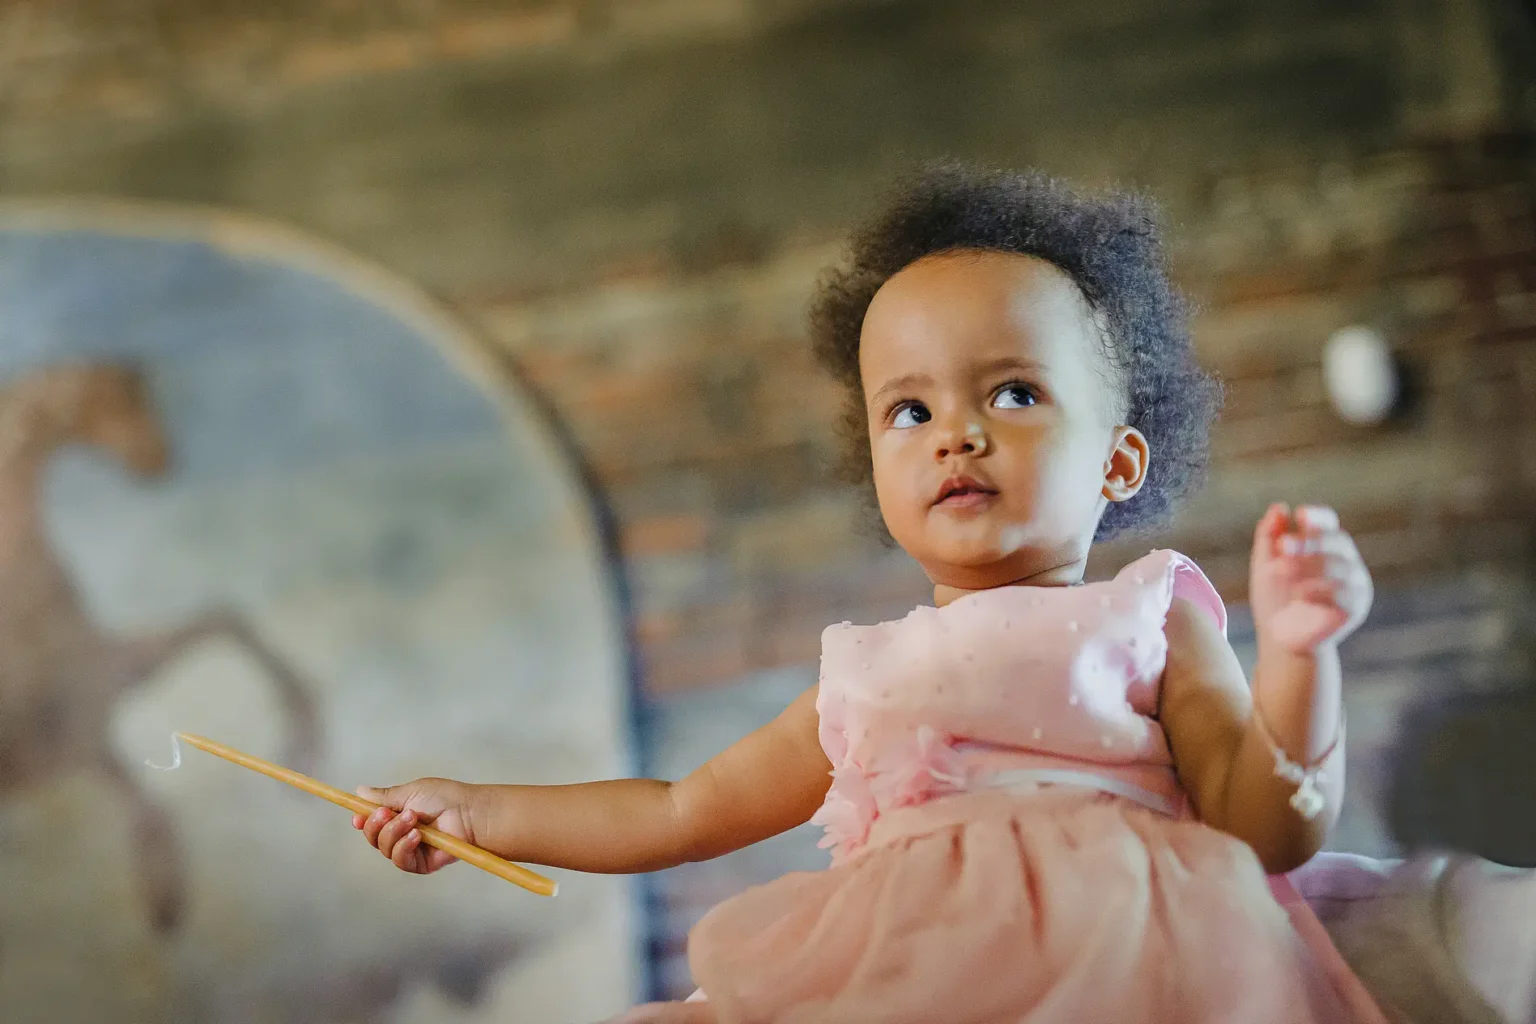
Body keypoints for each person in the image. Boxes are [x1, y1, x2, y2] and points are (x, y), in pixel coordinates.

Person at [353, 164, 1388, 1022]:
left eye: (1014, 392)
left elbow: (1267, 827)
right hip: (900, 980)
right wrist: (481, 811)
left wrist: (1302, 653)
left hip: (1126, 965)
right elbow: (679, 811)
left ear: (1120, 461)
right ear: (873, 458)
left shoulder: (1146, 618)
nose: (956, 432)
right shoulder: (866, 675)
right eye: (908, 408)